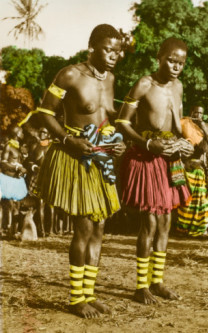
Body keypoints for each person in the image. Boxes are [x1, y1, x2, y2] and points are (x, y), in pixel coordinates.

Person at [34, 24, 125, 318]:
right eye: (108, 49)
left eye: (118, 50)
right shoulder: (69, 74)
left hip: (100, 156)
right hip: (75, 155)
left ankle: (89, 293)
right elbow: (45, 112)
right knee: (85, 226)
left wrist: (116, 140)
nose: (114, 55)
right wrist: (67, 140)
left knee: (99, 225)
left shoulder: (110, 78)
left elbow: (106, 115)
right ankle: (76, 298)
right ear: (92, 48)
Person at [117, 37, 193, 304]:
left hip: (170, 158)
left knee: (165, 221)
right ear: (159, 56)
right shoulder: (144, 84)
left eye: (181, 63)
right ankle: (141, 286)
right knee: (149, 221)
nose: (175, 67)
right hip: (146, 155)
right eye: (171, 60)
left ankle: (157, 281)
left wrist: (186, 143)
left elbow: (177, 123)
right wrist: (147, 142)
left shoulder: (179, 86)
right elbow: (121, 121)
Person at [177, 105, 208, 237]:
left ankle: (199, 229)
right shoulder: (183, 123)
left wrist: (204, 128)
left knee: (202, 201)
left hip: (201, 168)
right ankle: (183, 229)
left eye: (201, 113)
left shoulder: (204, 127)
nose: (198, 115)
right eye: (196, 112)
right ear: (191, 112)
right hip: (186, 167)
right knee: (187, 200)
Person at [0, 125, 28, 235]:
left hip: (17, 179)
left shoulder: (18, 147)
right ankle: (6, 229)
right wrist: (16, 167)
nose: (23, 134)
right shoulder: (8, 146)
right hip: (8, 179)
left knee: (17, 206)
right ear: (16, 134)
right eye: (21, 132)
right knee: (9, 206)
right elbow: (3, 163)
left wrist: (22, 169)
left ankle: (14, 230)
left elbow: (20, 163)